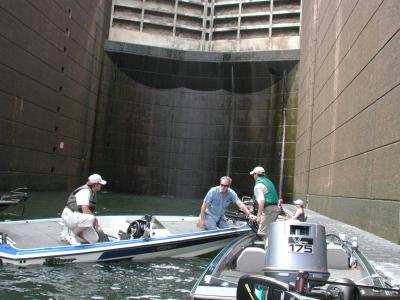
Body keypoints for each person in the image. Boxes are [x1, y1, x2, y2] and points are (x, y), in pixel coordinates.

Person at [61, 174, 107, 245]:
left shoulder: (92, 192)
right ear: (95, 184)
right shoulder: (85, 191)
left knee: (94, 240)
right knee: (91, 218)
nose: (101, 186)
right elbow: (85, 210)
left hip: (77, 218)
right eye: (100, 184)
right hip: (70, 216)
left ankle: (70, 231)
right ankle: (71, 236)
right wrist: (95, 220)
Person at [250, 166, 280, 240]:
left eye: (253, 174)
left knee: (263, 234)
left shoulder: (258, 186)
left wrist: (259, 216)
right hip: (275, 209)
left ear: (256, 174)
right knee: (268, 233)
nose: (253, 176)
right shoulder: (268, 181)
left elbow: (262, 201)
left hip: (269, 210)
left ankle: (267, 251)